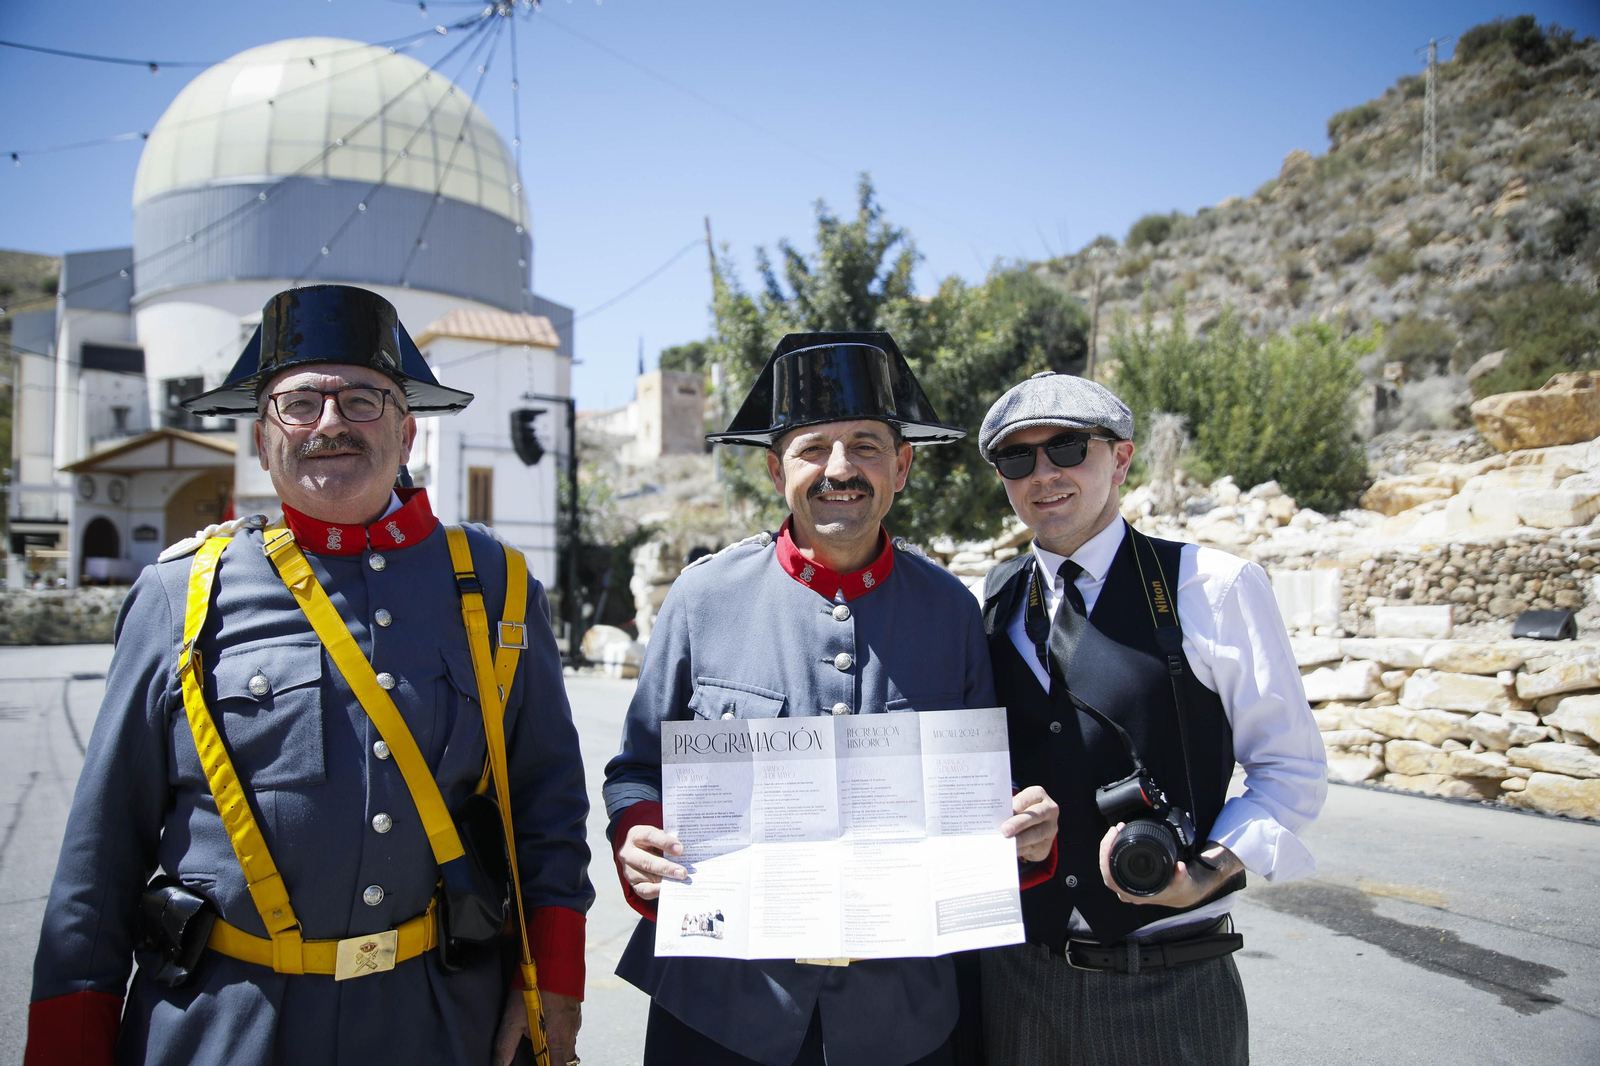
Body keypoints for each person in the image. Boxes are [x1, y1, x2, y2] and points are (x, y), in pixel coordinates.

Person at [25, 285, 593, 1066]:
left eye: (362, 400)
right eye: (299, 404)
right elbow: (101, 854)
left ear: (407, 432)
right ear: (263, 441)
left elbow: (547, 803)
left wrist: (551, 983)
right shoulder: (180, 595)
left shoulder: (495, 584)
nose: (330, 423)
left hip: (435, 1022)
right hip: (228, 1026)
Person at [603, 332, 1061, 1066]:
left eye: (866, 446)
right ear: (775, 469)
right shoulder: (702, 598)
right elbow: (636, 769)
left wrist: (1024, 836)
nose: (840, 469)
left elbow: (979, 796)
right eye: (813, 448)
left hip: (900, 1021)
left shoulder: (949, 611)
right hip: (722, 1010)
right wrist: (638, 833)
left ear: (902, 466)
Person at [974, 372, 1328, 1066]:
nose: (1043, 474)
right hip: (1017, 983)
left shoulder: (1213, 587)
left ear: (1122, 459)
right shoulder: (995, 596)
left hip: (1169, 988)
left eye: (1068, 449)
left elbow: (1291, 768)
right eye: (1017, 459)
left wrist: (1210, 870)